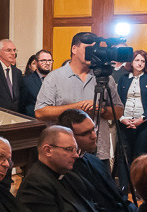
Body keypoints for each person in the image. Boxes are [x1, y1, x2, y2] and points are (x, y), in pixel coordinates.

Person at [35, 32, 123, 163]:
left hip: (98, 151)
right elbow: (40, 112)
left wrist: (101, 110)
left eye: (95, 49)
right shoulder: (54, 78)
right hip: (65, 153)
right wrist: (77, 108)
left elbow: (119, 111)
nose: (93, 53)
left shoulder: (104, 77)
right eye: (88, 49)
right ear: (74, 49)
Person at [116, 50, 147, 162]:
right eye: (137, 60)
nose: (140, 63)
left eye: (143, 61)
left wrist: (142, 118)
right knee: (124, 156)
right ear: (131, 62)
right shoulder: (123, 78)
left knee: (142, 156)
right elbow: (117, 100)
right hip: (125, 122)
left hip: (144, 123)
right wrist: (122, 118)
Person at [21, 49, 54, 116]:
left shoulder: (56, 79)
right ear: (36, 63)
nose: (47, 63)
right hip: (34, 119)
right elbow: (21, 106)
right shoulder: (27, 81)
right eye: (43, 60)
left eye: (49, 60)